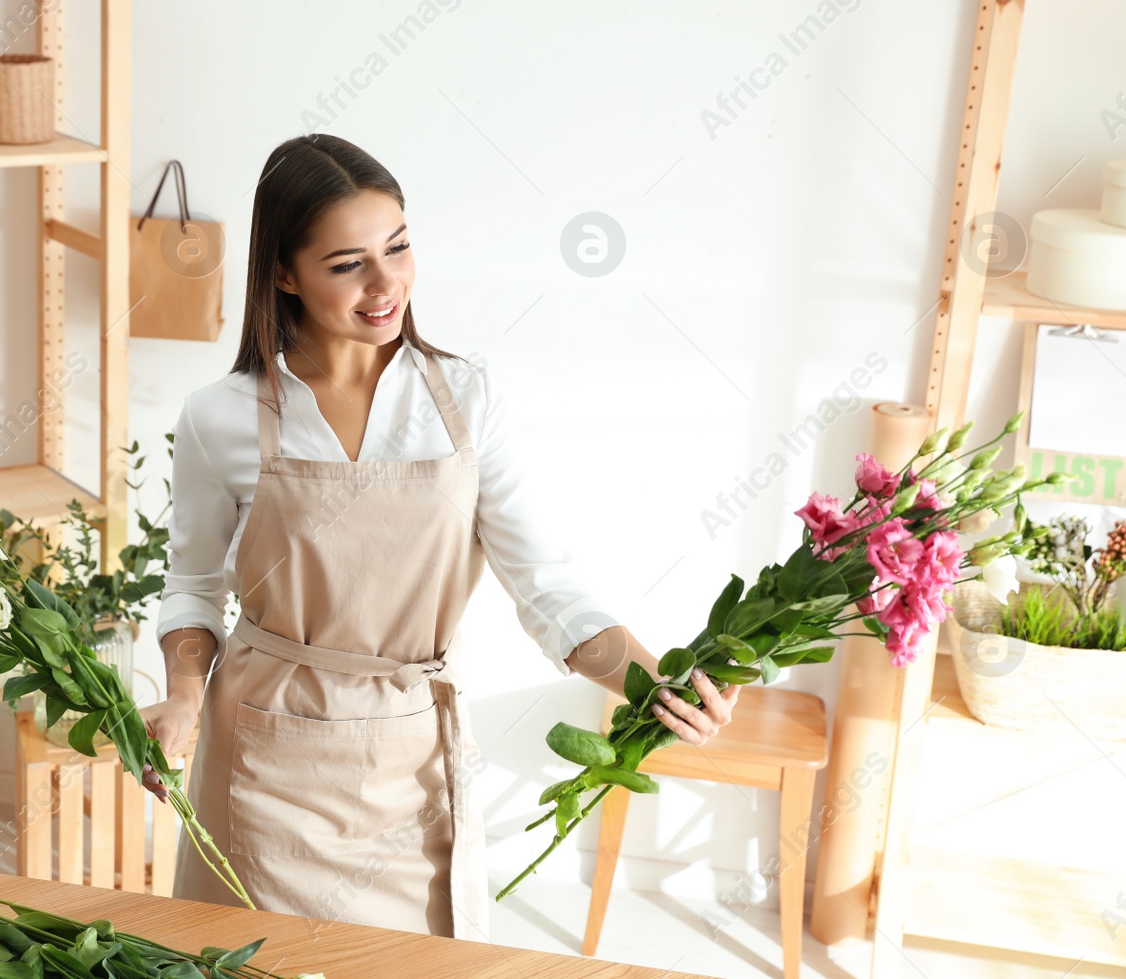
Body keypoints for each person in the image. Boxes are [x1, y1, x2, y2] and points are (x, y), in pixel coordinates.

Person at [138, 133, 740, 942]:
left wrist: (652, 680)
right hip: (262, 759)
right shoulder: (220, 416)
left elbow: (546, 584)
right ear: (284, 272)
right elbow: (192, 585)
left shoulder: (466, 398)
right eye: (348, 263)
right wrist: (181, 698)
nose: (386, 282)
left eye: (398, 246)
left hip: (410, 759)